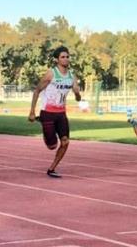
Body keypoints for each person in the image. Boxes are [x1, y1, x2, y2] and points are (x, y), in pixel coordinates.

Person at [28, 46, 81, 178]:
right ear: (57, 59)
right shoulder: (51, 73)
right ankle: (43, 125)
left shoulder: (72, 76)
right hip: (48, 112)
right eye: (63, 57)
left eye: (67, 56)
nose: (66, 59)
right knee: (52, 146)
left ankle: (52, 168)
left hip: (61, 113)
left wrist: (77, 94)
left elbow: (78, 97)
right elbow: (37, 91)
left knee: (65, 142)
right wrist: (32, 111)